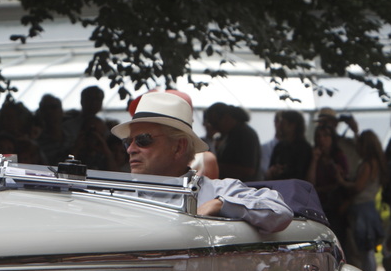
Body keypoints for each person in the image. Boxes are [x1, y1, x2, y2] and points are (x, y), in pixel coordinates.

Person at [111, 91, 293, 233]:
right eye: (128, 141)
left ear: (178, 147)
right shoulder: (112, 195)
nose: (130, 149)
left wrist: (220, 204)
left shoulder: (217, 191)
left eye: (143, 140)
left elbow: (279, 211)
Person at [338, 130, 387, 271]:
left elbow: (358, 187)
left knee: (362, 251)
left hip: (361, 209)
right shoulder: (378, 164)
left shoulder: (367, 165)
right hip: (369, 207)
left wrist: (341, 181)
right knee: (368, 250)